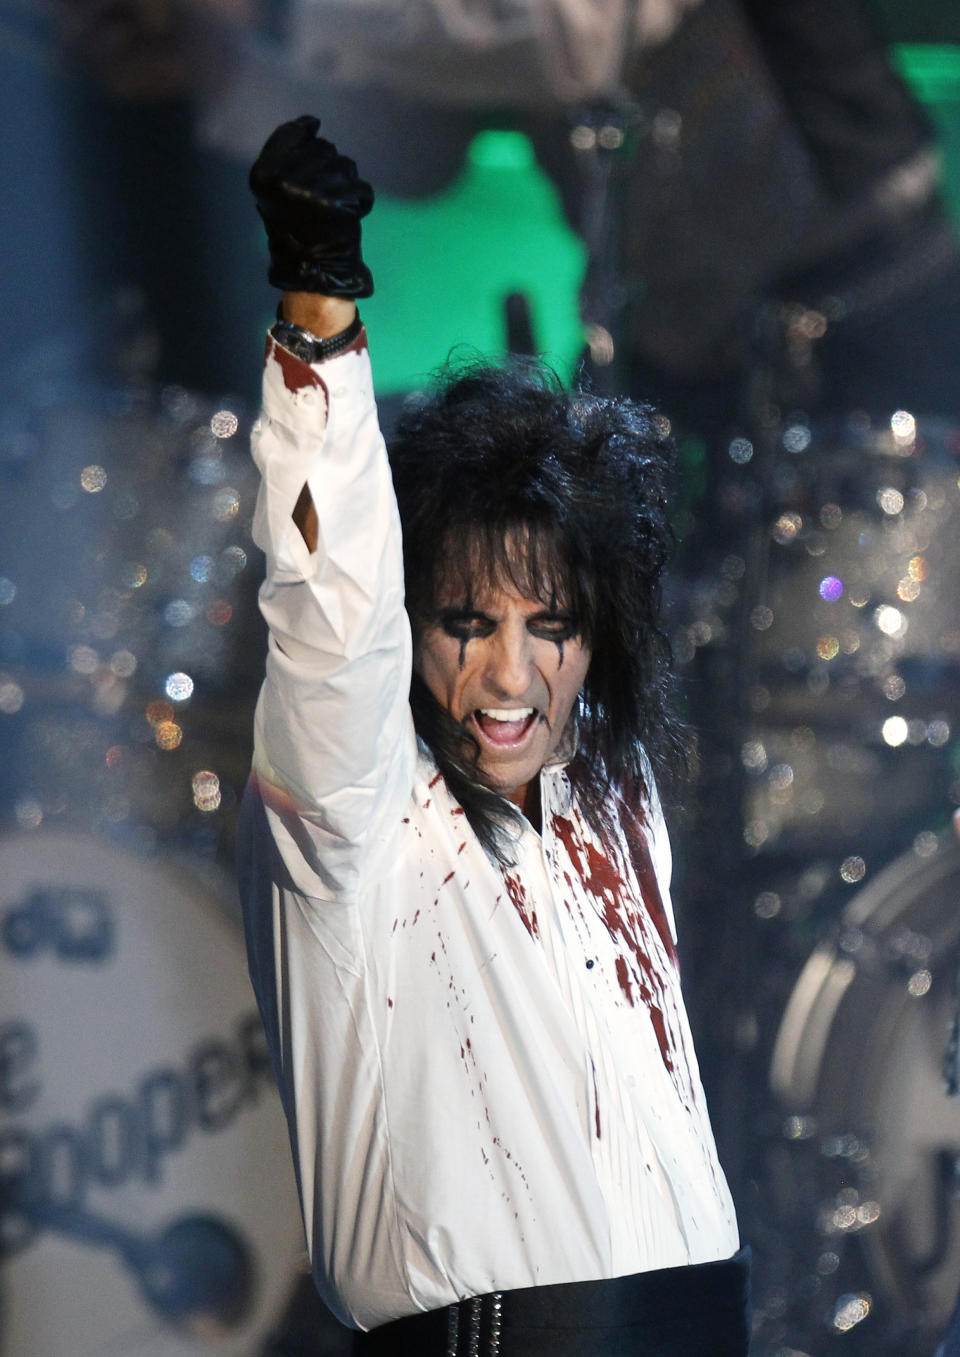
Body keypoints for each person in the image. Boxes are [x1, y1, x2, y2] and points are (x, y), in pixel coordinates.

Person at [239, 115, 748, 1355]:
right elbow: (330, 613)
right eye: (465, 621)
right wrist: (322, 326)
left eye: (551, 626)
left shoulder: (608, 791)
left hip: (700, 1316)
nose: (508, 675)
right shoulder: (357, 815)